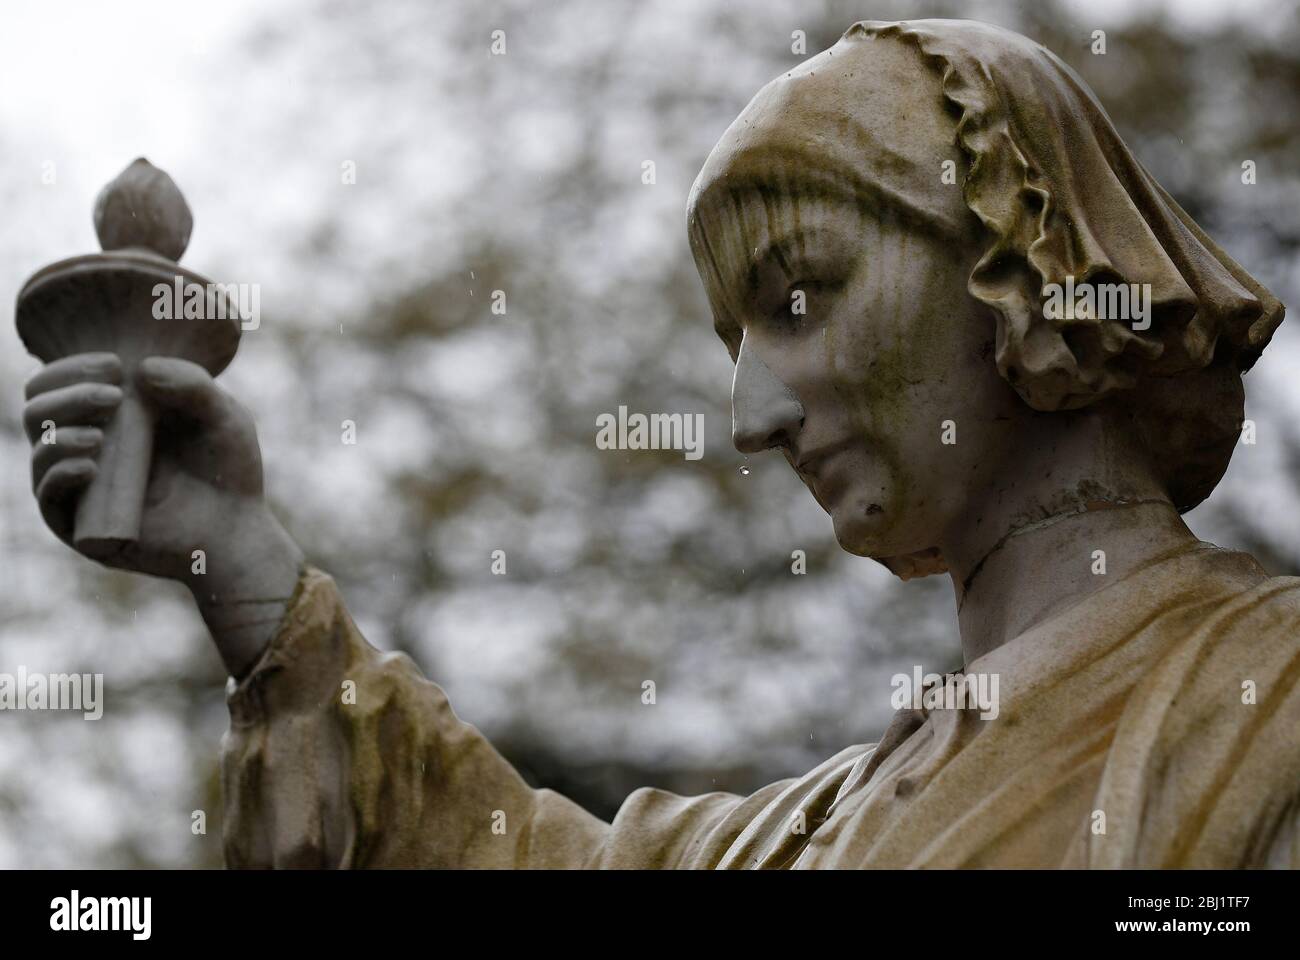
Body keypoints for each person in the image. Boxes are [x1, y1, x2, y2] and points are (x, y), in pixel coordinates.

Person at [23, 19, 1300, 868]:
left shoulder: (1268, 694)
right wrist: (245, 570)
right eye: (734, 341)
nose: (753, 419)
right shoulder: (808, 834)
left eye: (800, 300)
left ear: (1023, 264)